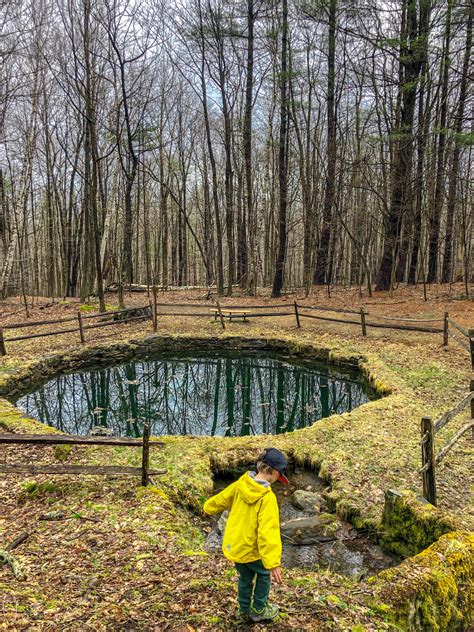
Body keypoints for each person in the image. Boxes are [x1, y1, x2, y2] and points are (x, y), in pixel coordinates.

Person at [203, 447, 289, 623]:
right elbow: (268, 532)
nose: (277, 480)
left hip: (236, 545)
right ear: (273, 472)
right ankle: (259, 609)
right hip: (252, 549)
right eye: (278, 476)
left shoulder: (241, 483)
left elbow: (221, 498)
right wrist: (273, 563)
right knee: (264, 576)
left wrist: (207, 508)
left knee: (244, 578)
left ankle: (243, 610)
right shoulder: (267, 498)